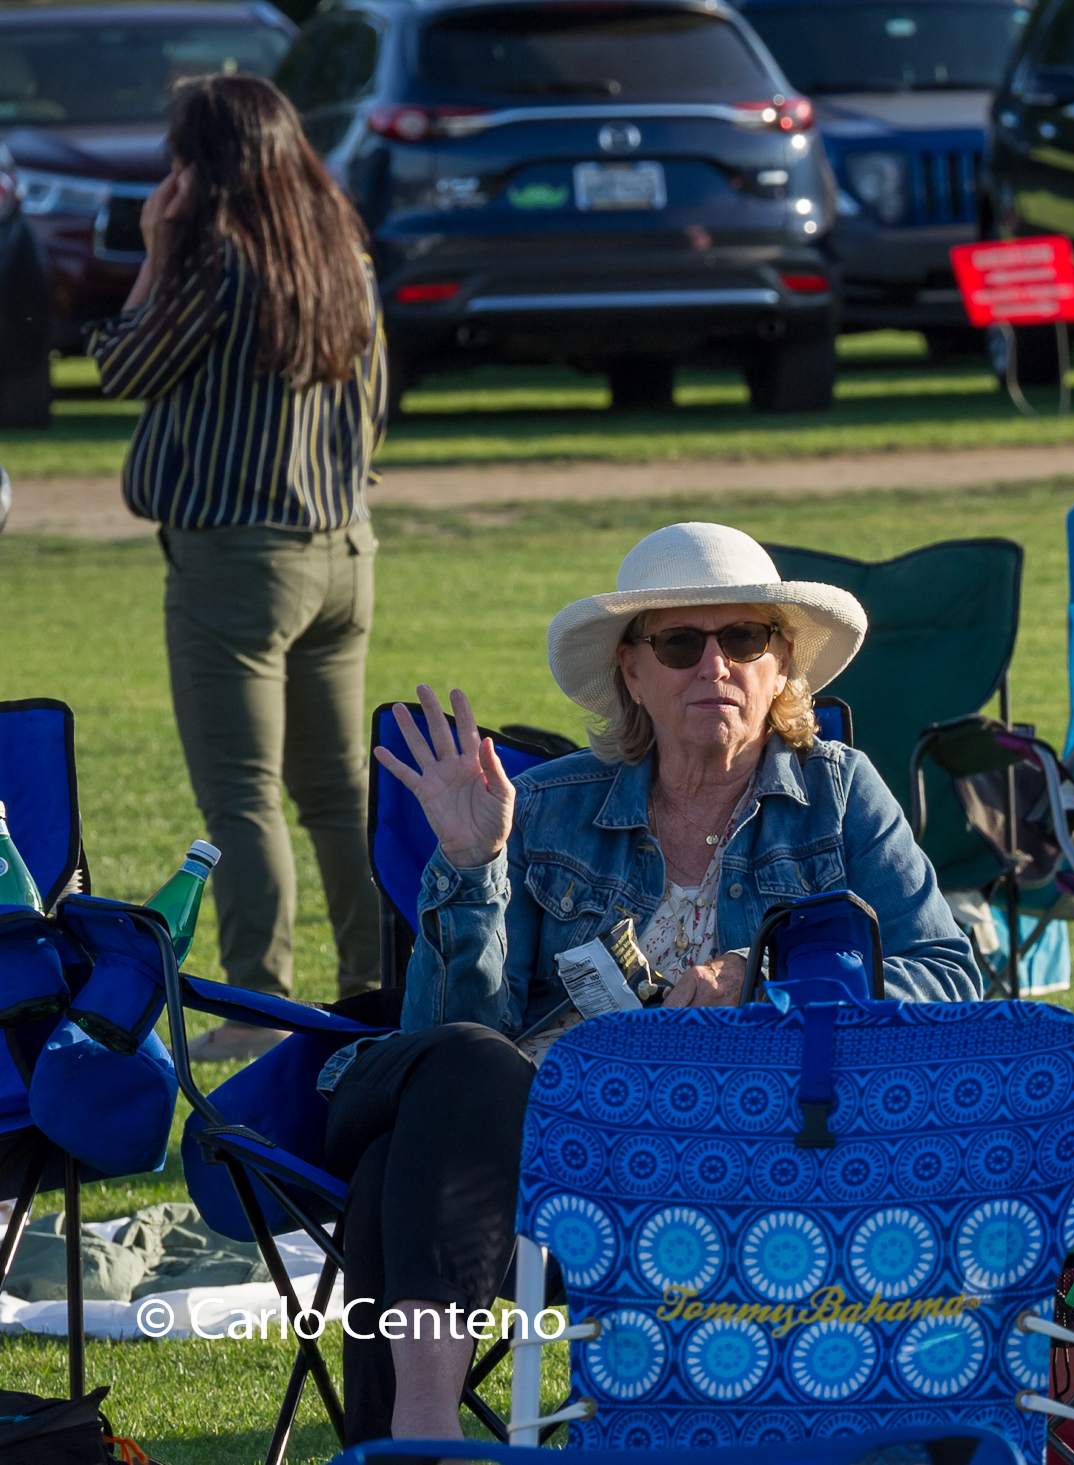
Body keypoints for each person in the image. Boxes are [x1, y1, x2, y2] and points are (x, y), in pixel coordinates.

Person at [335, 521, 983, 1442]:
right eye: (681, 643)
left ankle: (411, 1442)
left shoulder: (840, 794)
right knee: (464, 1069)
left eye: (743, 638)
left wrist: (769, 979)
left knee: (382, 1172)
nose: (714, 664)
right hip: (556, 1158)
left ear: (780, 666)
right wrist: (474, 867)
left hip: (756, 1160)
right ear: (633, 672)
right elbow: (451, 1032)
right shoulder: (547, 807)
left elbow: (949, 978)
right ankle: (423, 1432)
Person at [91, 75, 388, 1057]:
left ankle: (258, 1007)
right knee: (337, 793)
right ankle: (376, 986)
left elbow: (121, 367)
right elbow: (374, 408)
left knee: (244, 794)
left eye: (181, 159)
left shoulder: (219, 261)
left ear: (208, 165)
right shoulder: (344, 256)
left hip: (237, 562)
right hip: (344, 550)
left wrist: (154, 247)